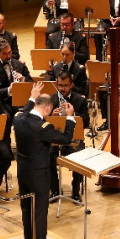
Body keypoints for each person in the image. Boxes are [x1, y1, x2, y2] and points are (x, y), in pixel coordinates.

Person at [13, 82, 75, 239]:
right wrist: (69, 118)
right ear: (48, 108)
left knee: (27, 210)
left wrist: (32, 96)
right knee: (39, 211)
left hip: (23, 172)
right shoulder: (42, 128)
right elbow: (65, 139)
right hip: (39, 174)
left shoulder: (19, 118)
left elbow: (25, 110)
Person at [49, 72, 88, 202]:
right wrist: (51, 117)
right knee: (47, 154)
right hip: (55, 139)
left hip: (74, 140)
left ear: (71, 85)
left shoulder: (80, 100)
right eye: (60, 85)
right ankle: (55, 189)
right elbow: (42, 123)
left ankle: (75, 191)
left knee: (78, 155)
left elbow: (86, 122)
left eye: (66, 86)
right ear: (56, 84)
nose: (63, 89)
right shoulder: (51, 100)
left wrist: (73, 114)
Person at [0, 39, 32, 115]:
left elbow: (32, 83)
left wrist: (23, 79)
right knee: (6, 117)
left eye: (9, 52)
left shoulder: (20, 65)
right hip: (5, 102)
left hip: (21, 99)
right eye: (4, 54)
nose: (8, 56)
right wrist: (9, 89)